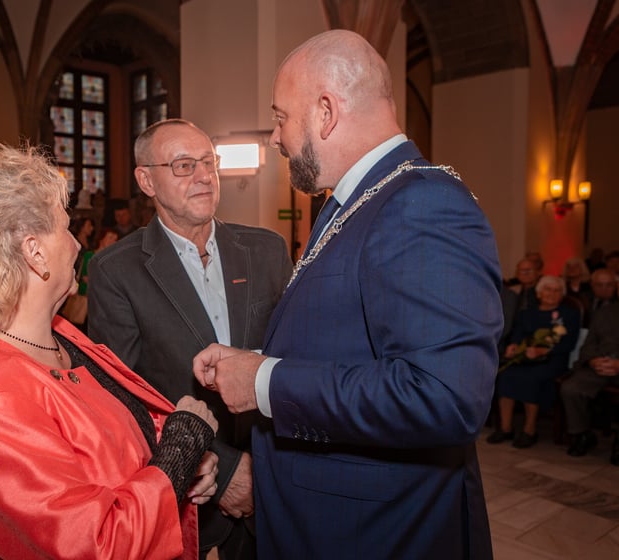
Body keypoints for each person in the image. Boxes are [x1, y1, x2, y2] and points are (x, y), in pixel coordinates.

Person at [192, 30, 503, 559]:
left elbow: (442, 395)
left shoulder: (422, 204)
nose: (275, 137)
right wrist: (253, 362)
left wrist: (264, 382)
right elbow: (350, 344)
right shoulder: (357, 202)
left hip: (379, 534)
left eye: (281, 117)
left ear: (326, 112)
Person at [0, 143, 220, 559]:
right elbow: (94, 546)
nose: (77, 244)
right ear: (34, 252)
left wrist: (181, 471)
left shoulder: (57, 334)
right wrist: (181, 448)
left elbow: (111, 438)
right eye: (64, 227)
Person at [88, 118, 292, 559]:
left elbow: (293, 358)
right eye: (183, 165)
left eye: (208, 162)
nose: (203, 176)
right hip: (191, 490)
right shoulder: (115, 270)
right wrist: (226, 469)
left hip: (276, 477)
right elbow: (123, 397)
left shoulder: (267, 250)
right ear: (146, 180)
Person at [488, 275, 580, 448]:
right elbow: (517, 334)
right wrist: (514, 346)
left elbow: (569, 343)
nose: (551, 293)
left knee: (531, 379)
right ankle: (506, 428)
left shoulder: (570, 315)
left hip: (553, 359)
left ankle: (529, 430)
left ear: (562, 295)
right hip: (525, 357)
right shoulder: (527, 313)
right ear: (539, 293)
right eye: (547, 289)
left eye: (557, 290)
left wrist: (544, 350)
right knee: (507, 375)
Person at [560, 300, 619, 465]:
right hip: (600, 365)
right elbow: (589, 344)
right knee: (571, 389)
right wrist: (593, 361)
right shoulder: (605, 311)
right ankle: (582, 434)